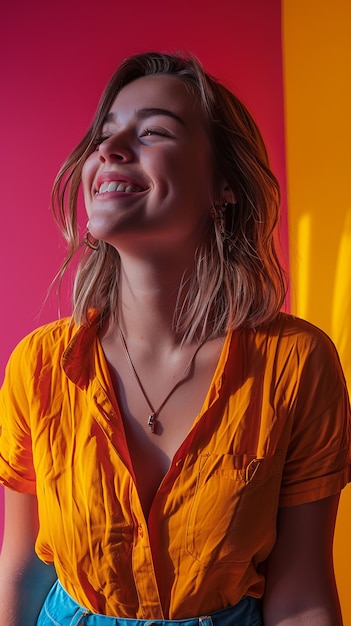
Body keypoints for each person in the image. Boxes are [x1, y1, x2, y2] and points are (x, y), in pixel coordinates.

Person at [0, 51, 350, 626]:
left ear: (224, 186)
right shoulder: (39, 366)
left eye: (154, 131)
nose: (109, 150)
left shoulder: (297, 365)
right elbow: (24, 571)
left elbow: (303, 591)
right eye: (105, 134)